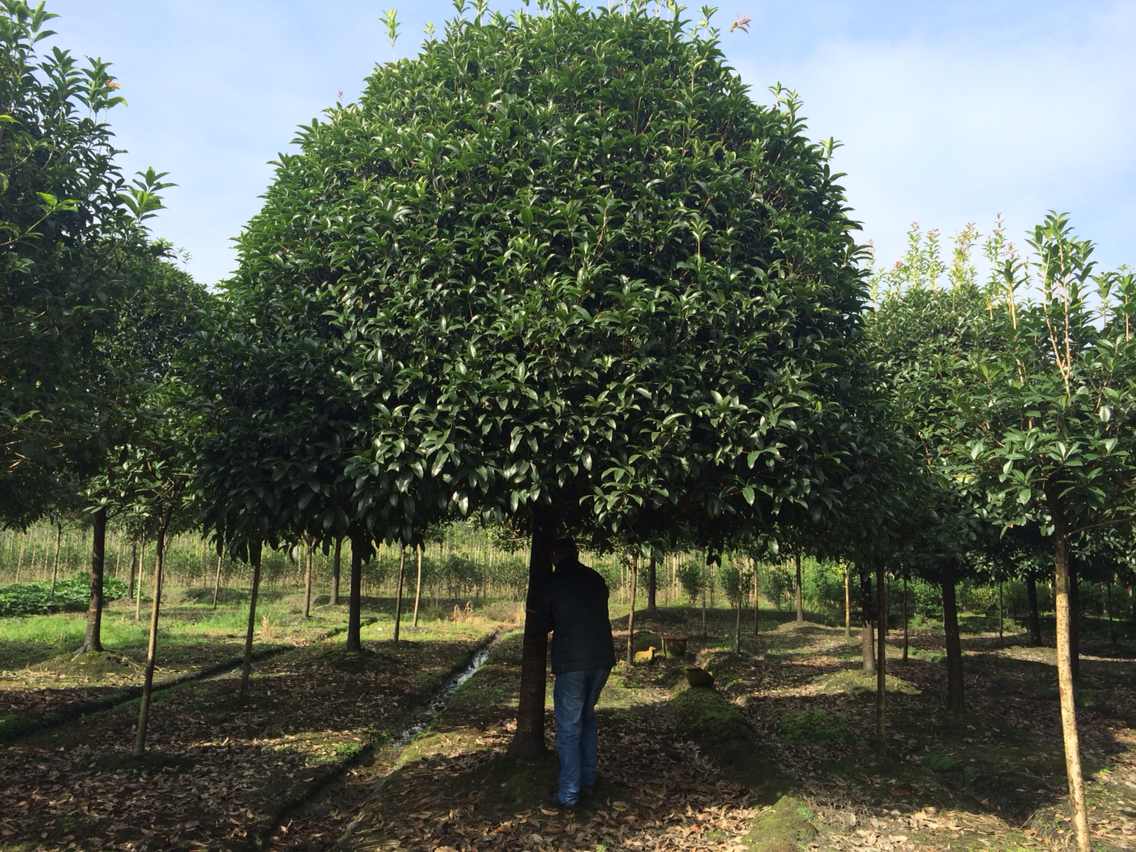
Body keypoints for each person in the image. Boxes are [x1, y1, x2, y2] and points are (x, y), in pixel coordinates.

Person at [544, 536, 616, 809]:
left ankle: (569, 794)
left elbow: (546, 621)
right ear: (576, 553)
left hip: (573, 662)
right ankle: (588, 779)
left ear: (554, 556)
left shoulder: (553, 582)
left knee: (569, 727)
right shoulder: (595, 578)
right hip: (602, 659)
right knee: (586, 718)